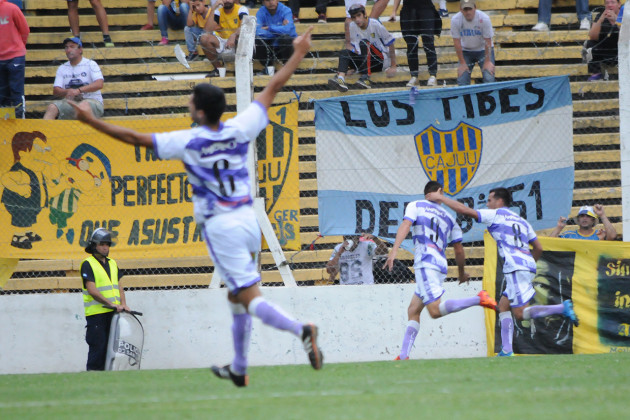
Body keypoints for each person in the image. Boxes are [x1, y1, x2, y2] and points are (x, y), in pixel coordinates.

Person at [69, 27, 323, 387]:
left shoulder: (188, 140)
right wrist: (298, 53)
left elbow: (134, 138)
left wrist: (92, 122)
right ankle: (239, 367)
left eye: (191, 102)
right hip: (248, 221)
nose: (188, 105)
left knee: (249, 298)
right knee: (237, 297)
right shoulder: (238, 127)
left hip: (222, 227)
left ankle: (302, 329)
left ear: (201, 112)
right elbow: (271, 89)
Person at [426, 186, 580, 357]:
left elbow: (466, 211)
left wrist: (442, 199)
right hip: (525, 266)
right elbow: (538, 247)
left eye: (490, 200)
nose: (487, 203)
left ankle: (561, 308)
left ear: (499, 201)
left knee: (520, 314)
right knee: (503, 306)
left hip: (515, 268)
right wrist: (528, 264)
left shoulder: (496, 215)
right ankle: (507, 350)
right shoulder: (522, 221)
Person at [385, 181, 498, 360]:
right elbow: (459, 250)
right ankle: (403, 355)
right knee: (413, 310)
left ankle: (479, 299)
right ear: (439, 192)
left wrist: (394, 251)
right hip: (440, 265)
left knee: (435, 311)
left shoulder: (416, 205)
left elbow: (406, 225)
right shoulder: (449, 217)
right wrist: (461, 273)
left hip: (425, 262)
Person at [81, 228, 131, 371]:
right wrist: (112, 304)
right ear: (94, 245)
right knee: (98, 349)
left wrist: (124, 304)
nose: (105, 247)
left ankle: (106, 381)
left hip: (113, 314)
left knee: (111, 350)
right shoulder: (88, 264)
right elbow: (92, 290)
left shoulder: (112, 263)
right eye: (102, 244)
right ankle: (93, 379)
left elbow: (119, 287)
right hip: (97, 314)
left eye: (107, 244)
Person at [328, 4, 397, 92]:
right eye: (354, 17)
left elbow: (390, 43)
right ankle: (341, 78)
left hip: (380, 61)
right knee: (345, 52)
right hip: (365, 62)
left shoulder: (375, 24)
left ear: (364, 14)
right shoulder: (352, 26)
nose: (357, 20)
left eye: (359, 15)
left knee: (364, 43)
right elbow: (357, 49)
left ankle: (365, 79)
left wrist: (393, 66)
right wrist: (354, 67)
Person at [43, 37, 104, 120]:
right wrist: (68, 91)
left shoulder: (91, 64)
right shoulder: (62, 68)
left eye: (72, 47)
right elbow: (56, 90)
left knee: (82, 107)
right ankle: (44, 132)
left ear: (80, 50)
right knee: (52, 107)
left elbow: (99, 84)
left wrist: (78, 90)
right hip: (71, 103)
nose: (68, 50)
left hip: (92, 101)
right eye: (66, 47)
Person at [389, 0, 441, 87]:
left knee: (428, 42)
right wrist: (394, 11)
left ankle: (432, 75)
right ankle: (414, 76)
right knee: (411, 44)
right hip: (408, 9)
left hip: (425, 8)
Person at [450, 0, 495, 86]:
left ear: (475, 8)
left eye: (470, 9)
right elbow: (456, 42)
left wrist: (487, 61)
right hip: (465, 50)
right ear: (461, 10)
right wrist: (462, 63)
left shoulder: (484, 18)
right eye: (465, 9)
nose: (468, 12)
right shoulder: (455, 20)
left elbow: (488, 41)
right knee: (462, 79)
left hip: (483, 50)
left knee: (489, 77)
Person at [199, 0, 249, 76]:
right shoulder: (218, 11)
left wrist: (233, 35)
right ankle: (218, 69)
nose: (227, 0)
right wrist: (213, 9)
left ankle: (241, 71)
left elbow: (244, 27)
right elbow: (207, 30)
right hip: (222, 41)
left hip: (237, 41)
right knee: (204, 38)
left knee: (240, 37)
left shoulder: (241, 9)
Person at [0, 0, 29, 118]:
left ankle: (20, 121)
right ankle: (4, 123)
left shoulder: (12, 8)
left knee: (16, 91)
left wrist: (18, 47)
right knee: (2, 93)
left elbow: (24, 29)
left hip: (15, 56)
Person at [255, 0, 297, 75]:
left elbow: (288, 30)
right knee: (257, 41)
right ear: (263, 2)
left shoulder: (286, 10)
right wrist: (279, 30)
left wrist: (269, 28)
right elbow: (258, 31)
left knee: (285, 39)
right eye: (268, 0)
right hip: (270, 47)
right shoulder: (260, 12)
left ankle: (288, 69)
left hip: (286, 48)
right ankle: (269, 68)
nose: (271, 2)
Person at [585, 0, 622, 81]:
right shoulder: (600, 16)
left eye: (612, 2)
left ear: (619, 4)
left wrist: (616, 20)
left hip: (620, 51)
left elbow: (627, 36)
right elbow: (592, 37)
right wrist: (600, 20)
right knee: (589, 44)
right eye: (607, 3)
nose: (610, 5)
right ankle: (596, 73)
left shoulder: (624, 15)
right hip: (605, 50)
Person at [550, 205, 617, 241]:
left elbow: (612, 236)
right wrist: (558, 228)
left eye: (588, 216)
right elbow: (549, 243)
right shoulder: (569, 235)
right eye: (582, 216)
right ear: (578, 219)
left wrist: (602, 215)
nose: (584, 218)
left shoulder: (599, 234)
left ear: (593, 220)